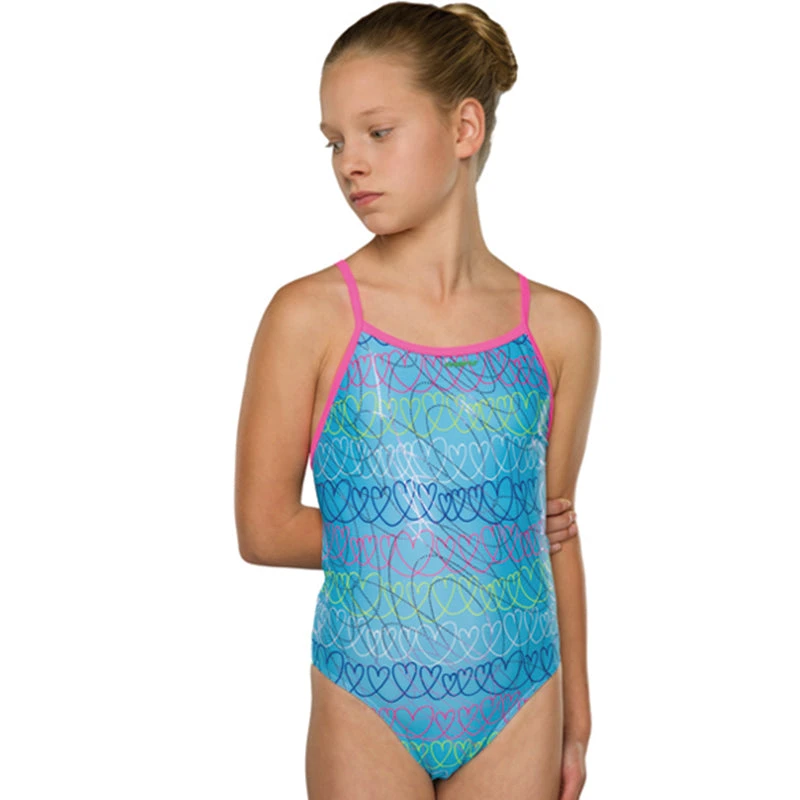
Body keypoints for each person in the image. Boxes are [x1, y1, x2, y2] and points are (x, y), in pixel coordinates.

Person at [234, 3, 599, 798]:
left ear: (464, 128)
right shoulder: (311, 316)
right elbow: (263, 529)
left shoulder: (562, 330)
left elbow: (554, 530)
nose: (350, 165)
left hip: (522, 687)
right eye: (335, 142)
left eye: (377, 132)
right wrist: (448, 541)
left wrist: (577, 716)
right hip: (367, 690)